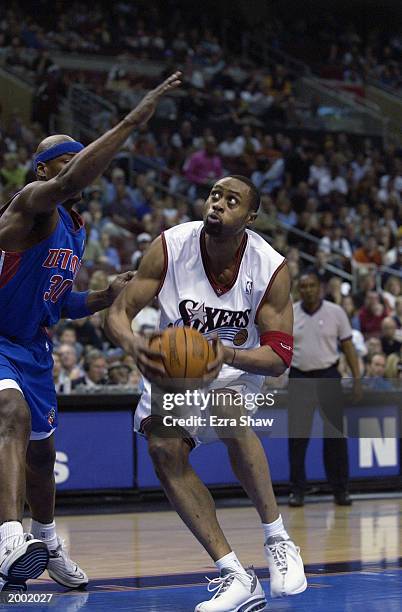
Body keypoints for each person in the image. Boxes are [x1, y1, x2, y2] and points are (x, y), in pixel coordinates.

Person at [0, 71, 182, 593]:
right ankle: (10, 537)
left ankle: (47, 543)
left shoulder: (77, 228)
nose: (78, 169)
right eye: (67, 160)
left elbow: (54, 301)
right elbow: (69, 181)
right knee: (8, 414)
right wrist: (131, 120)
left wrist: (102, 298)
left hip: (32, 343)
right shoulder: (31, 205)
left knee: (39, 454)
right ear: (45, 170)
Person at [105, 175, 307, 612]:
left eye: (231, 201)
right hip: (175, 368)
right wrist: (134, 345)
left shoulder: (269, 266)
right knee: (163, 449)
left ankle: (278, 538)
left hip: (236, 365)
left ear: (250, 217)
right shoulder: (170, 246)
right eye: (214, 195)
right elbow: (119, 311)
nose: (217, 204)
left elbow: (278, 356)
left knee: (228, 410)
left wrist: (226, 355)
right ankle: (235, 574)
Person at [288, 271, 362, 508]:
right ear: (299, 290)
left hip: (329, 375)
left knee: (335, 437)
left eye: (311, 285)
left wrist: (357, 378)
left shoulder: (335, 312)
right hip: (299, 377)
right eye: (303, 286)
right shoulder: (290, 313)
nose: (307, 289)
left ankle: (340, 489)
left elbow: (348, 347)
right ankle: (297, 490)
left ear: (319, 288)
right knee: (298, 438)